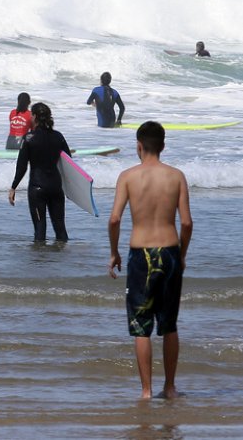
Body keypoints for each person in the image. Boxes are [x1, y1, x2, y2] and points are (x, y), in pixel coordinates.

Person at [108, 121, 192, 399]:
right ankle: (169, 388)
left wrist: (114, 252)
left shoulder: (128, 176)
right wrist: (181, 254)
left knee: (141, 327)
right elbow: (187, 223)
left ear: (139, 146)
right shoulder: (176, 176)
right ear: (163, 146)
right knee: (169, 324)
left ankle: (146, 391)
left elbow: (115, 218)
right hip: (168, 251)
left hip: (140, 253)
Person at [8, 102, 71, 242]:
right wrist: (71, 188)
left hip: (37, 189)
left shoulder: (29, 138)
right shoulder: (58, 136)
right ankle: (63, 261)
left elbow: (22, 166)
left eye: (31, 115)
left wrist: (13, 187)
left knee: (40, 229)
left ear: (35, 116)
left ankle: (39, 262)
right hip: (56, 187)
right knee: (60, 229)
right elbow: (69, 163)